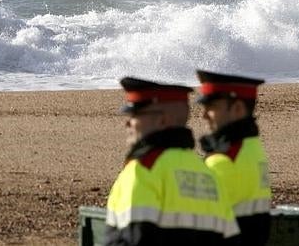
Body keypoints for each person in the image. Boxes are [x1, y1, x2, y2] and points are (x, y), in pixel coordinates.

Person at [105, 77, 239, 246]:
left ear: (162, 121)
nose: (127, 123)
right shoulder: (207, 174)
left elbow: (134, 240)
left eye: (135, 115)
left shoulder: (144, 170)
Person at [195, 70, 272, 246]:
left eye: (212, 107)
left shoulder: (224, 161)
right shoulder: (251, 149)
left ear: (237, 109)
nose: (204, 115)